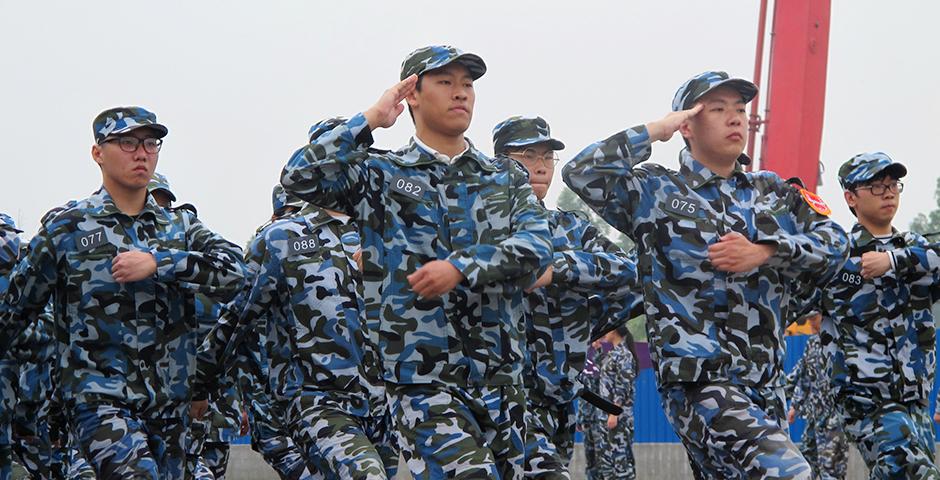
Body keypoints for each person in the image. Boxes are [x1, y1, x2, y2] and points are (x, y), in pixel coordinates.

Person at [279, 45, 552, 479]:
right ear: (412, 95)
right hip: (424, 384)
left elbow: (538, 245)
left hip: (504, 381)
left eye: (467, 84)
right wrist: (370, 119)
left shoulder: (503, 176)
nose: (460, 93)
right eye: (445, 82)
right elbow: (300, 177)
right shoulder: (381, 175)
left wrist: (463, 266)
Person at [562, 71, 848, 479]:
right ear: (687, 126)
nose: (736, 119)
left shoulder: (774, 193)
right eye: (717, 109)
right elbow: (583, 172)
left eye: (741, 110)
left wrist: (767, 250)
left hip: (765, 384)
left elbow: (836, 245)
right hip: (699, 385)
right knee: (789, 474)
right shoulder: (656, 193)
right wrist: (657, 130)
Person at [0, 106, 248, 479]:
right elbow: (14, 313)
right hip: (99, 400)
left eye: (151, 143)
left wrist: (160, 262)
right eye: (128, 142)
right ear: (98, 153)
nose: (142, 153)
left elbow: (237, 271)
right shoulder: (68, 229)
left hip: (169, 403)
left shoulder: (179, 226)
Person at [491, 115, 638, 479]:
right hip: (507, 397)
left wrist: (560, 270)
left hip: (562, 398)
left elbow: (628, 269)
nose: (540, 165)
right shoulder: (485, 226)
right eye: (528, 154)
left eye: (547, 156)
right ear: (500, 161)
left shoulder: (570, 227)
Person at [820, 152, 940, 478]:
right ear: (850, 198)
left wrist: (893, 261)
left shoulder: (915, 249)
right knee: (915, 473)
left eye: (893, 185)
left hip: (915, 399)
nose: (888, 192)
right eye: (875, 186)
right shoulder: (837, 256)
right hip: (866, 401)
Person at [785, 313, 847, 480]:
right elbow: (805, 376)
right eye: (809, 321)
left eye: (815, 320)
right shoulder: (812, 343)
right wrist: (795, 406)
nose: (812, 324)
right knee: (805, 459)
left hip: (835, 417)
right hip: (814, 415)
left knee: (831, 467)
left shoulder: (840, 340)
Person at [597, 326, 637, 480]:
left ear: (614, 331)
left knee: (621, 464)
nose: (604, 334)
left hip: (618, 418)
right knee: (607, 464)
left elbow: (623, 385)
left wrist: (614, 412)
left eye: (606, 330)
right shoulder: (612, 354)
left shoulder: (624, 355)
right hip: (606, 416)